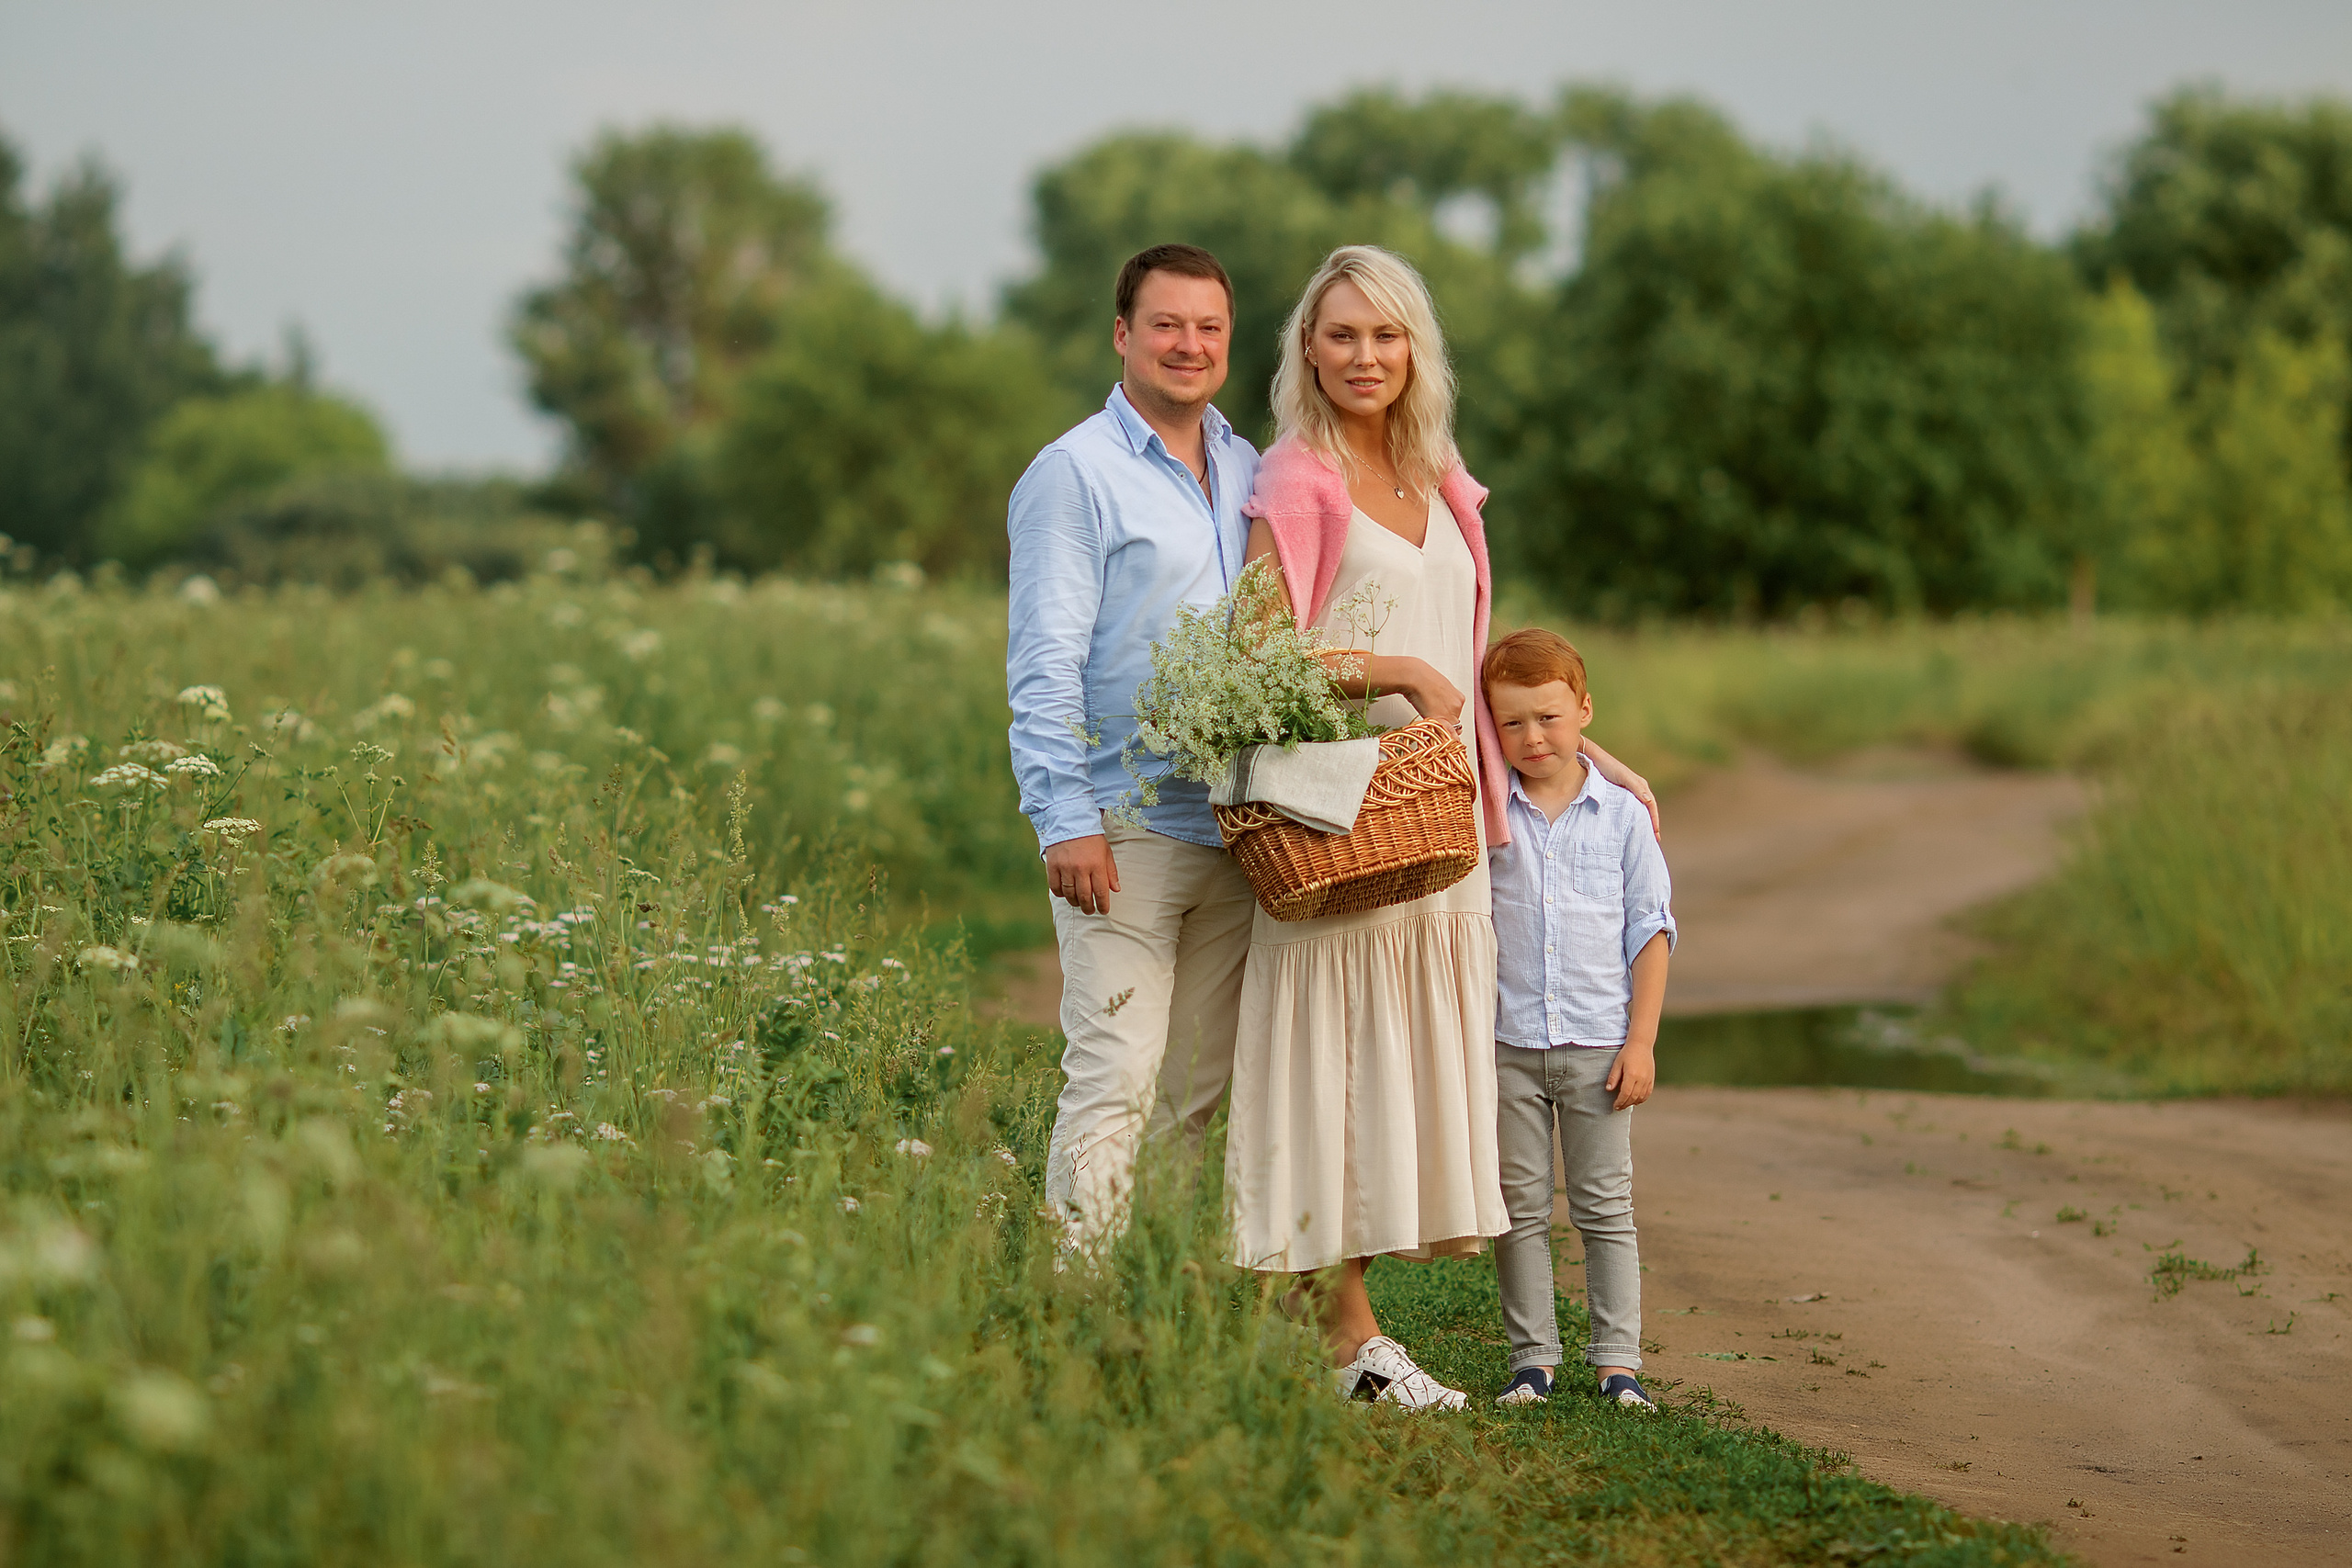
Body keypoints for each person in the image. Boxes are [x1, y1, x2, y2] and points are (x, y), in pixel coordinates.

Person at [1225, 245, 1657, 1410]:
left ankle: (1337, 1331)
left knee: (1393, 1073)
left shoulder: (1441, 475)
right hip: (1338, 823)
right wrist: (1393, 670)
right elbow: (1255, 658)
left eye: (1387, 335)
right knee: (1333, 1071)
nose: (1365, 357)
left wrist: (1574, 746)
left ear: (1416, 350)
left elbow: (1478, 650)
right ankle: (1344, 1341)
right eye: (1341, 336)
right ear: (1306, 352)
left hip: (1439, 825)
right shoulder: (1297, 475)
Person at [1006, 243, 1261, 1255]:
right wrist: (1063, 818)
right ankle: (1073, 1312)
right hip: (1122, 827)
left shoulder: (1248, 466)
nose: (1187, 345)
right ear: (1122, 335)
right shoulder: (1074, 474)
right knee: (1113, 1072)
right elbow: (1043, 663)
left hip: (1240, 829)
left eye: (1207, 327)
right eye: (1165, 324)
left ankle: (1149, 1306)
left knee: (1193, 1091)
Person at [1482, 627, 1674, 1412]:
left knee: (1604, 1205)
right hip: (1508, 1044)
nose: (1533, 737)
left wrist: (1642, 1042)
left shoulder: (1623, 816)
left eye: (1550, 718)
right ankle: (1534, 1360)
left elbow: (1651, 929)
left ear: (1584, 711)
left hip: (1600, 1046)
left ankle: (1617, 1363)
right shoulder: (1487, 810)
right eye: (1513, 723)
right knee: (1519, 1206)